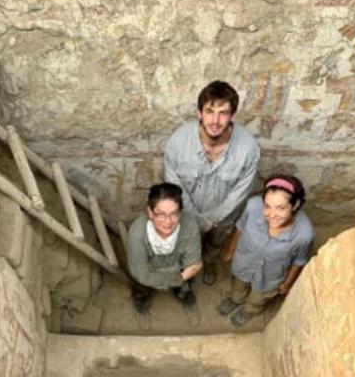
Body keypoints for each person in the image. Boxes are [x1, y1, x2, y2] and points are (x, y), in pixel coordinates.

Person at [164, 80, 260, 286]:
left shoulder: (248, 149)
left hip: (223, 219)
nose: (215, 121)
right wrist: (196, 219)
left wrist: (213, 219)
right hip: (188, 215)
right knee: (187, 243)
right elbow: (174, 187)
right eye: (209, 111)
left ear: (232, 116)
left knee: (215, 244)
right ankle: (188, 269)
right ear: (199, 113)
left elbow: (241, 192)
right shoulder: (177, 142)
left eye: (223, 113)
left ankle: (209, 263)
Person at [218, 175, 315, 327]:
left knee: (258, 298)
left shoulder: (304, 234)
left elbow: (299, 260)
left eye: (280, 208)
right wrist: (230, 250)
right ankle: (235, 299)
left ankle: (248, 310)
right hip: (244, 263)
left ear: (295, 205)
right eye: (267, 206)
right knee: (238, 285)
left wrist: (287, 283)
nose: (271, 214)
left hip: (270, 277)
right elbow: (240, 228)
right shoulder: (252, 206)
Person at [127, 182, 203, 314]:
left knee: (188, 282)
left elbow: (193, 263)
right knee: (140, 283)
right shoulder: (137, 233)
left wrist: (184, 274)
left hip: (176, 264)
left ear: (180, 212)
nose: (168, 222)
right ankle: (142, 298)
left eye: (174, 214)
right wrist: (181, 276)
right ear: (150, 212)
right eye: (161, 214)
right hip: (150, 269)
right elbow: (142, 274)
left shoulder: (190, 225)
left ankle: (182, 293)